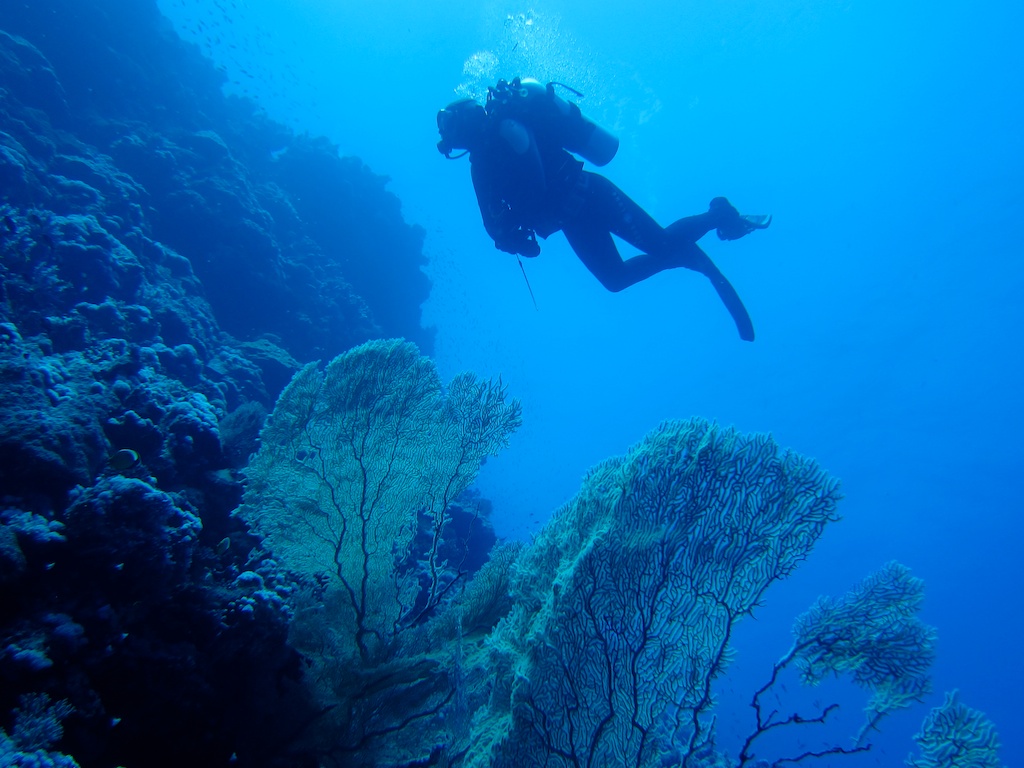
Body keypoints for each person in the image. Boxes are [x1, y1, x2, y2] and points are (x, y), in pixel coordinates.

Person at [436, 78, 771, 341]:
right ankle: (683, 255)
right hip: (570, 220)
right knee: (615, 279)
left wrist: (519, 221)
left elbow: (535, 180)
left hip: (592, 194)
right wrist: (509, 238)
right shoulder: (480, 165)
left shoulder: (506, 127)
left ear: (464, 120)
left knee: (663, 246)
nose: (448, 140)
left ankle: (719, 214)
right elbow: (492, 224)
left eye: (448, 127)